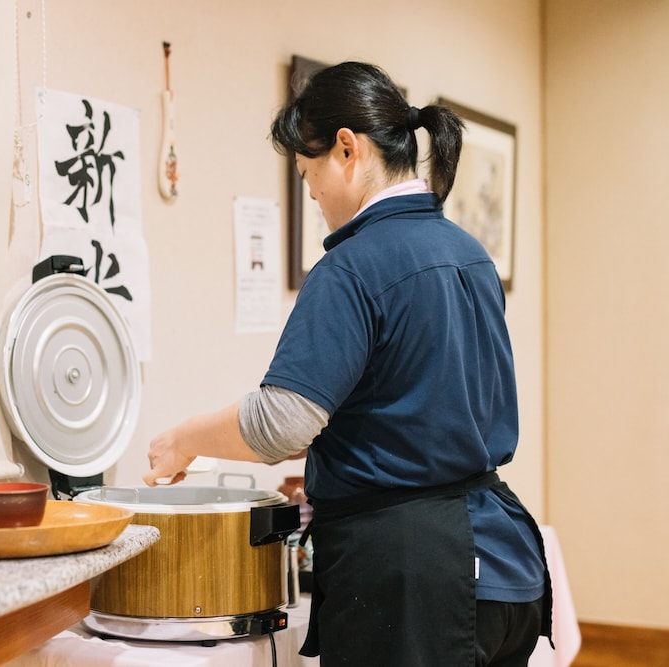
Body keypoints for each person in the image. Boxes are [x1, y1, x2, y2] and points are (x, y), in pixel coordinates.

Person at [144, 61, 551, 666]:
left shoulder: (351, 268)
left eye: (312, 180)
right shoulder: (470, 256)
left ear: (347, 150)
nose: (316, 201)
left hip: (413, 579)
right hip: (503, 562)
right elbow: (415, 413)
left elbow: (281, 422)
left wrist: (183, 441)